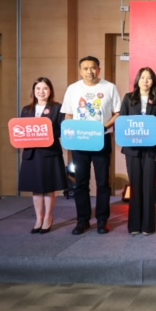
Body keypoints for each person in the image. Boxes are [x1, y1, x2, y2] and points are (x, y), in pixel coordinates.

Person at [61, 56, 122, 235]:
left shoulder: (109, 87)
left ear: (99, 70)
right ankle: (83, 220)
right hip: (79, 141)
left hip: (101, 139)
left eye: (93, 68)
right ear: (80, 71)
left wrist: (104, 127)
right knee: (80, 182)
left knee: (103, 183)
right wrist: (72, 132)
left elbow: (118, 112)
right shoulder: (73, 89)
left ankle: (102, 220)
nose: (90, 71)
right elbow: (68, 115)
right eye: (86, 68)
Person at [120, 67, 156, 235]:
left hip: (152, 149)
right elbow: (122, 121)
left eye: (149, 78)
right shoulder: (128, 98)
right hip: (132, 149)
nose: (145, 81)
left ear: (153, 81)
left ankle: (148, 226)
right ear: (137, 80)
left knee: (149, 186)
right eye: (142, 78)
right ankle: (134, 225)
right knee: (135, 186)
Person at [18, 77, 67, 234]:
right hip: (31, 153)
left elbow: (62, 129)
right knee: (36, 188)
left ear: (50, 90)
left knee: (48, 188)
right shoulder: (26, 109)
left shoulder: (57, 108)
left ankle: (48, 217)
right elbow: (21, 129)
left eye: (45, 88)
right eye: (38, 88)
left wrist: (46, 132)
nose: (41, 92)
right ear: (33, 91)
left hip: (49, 152)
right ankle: (39, 218)